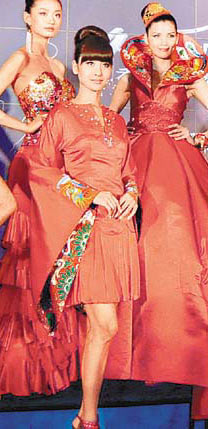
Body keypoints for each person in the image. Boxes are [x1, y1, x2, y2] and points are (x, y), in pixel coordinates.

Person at [111, 2, 208, 419]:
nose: (164, 42)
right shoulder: (130, 75)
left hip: (175, 162)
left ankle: (182, 341)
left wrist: (200, 136)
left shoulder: (189, 74)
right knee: (137, 245)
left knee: (178, 247)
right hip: (138, 160)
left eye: (170, 36)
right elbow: (108, 121)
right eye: (157, 36)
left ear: (178, 39)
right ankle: (139, 346)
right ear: (145, 39)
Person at [28, 26, 140, 429]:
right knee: (105, 325)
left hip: (118, 230)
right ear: (76, 67)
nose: (97, 71)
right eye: (90, 63)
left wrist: (133, 193)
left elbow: (129, 172)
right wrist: (87, 193)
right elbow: (40, 170)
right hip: (84, 230)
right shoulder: (61, 115)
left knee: (103, 329)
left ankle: (84, 416)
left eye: (104, 65)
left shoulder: (116, 120)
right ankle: (89, 418)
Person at [0, 0, 77, 396]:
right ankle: (24, 359)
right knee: (30, 258)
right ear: (27, 17)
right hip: (31, 168)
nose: (51, 20)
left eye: (57, 14)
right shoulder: (20, 58)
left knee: (57, 260)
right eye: (43, 13)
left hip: (60, 169)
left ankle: (54, 355)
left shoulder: (61, 68)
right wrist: (25, 125)